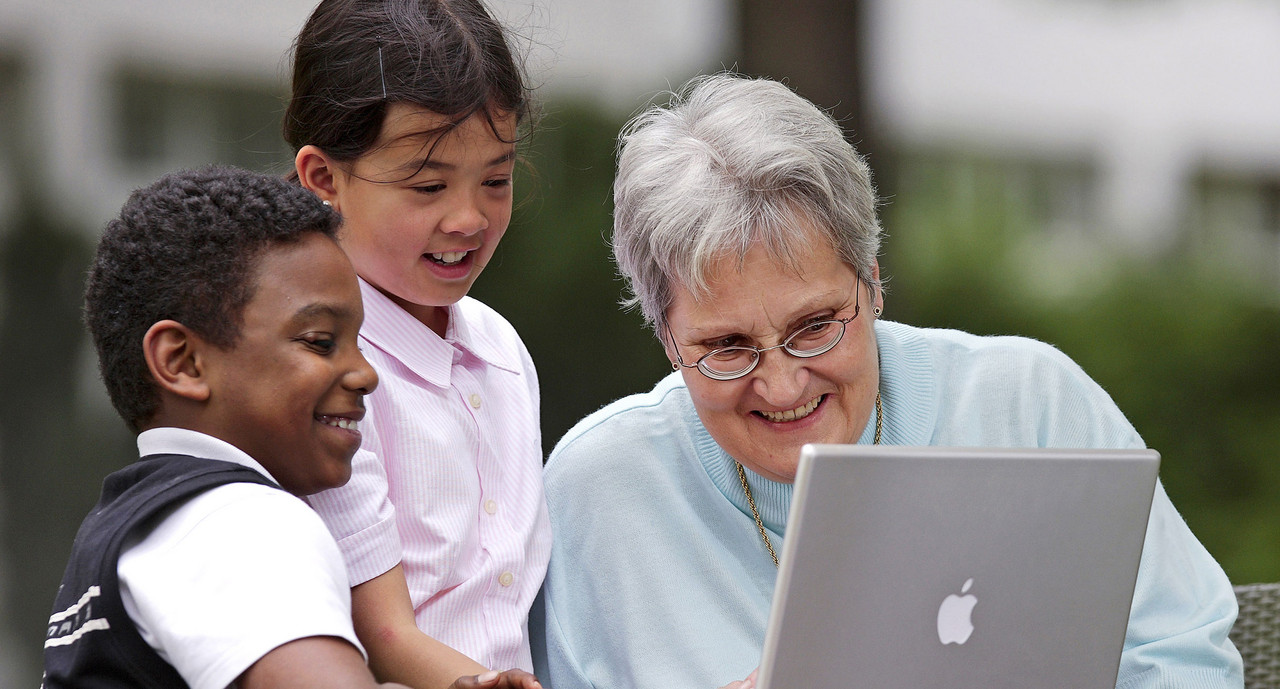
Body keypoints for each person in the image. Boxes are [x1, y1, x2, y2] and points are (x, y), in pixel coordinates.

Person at [531, 74, 1244, 689]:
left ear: (873, 284)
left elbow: (1184, 656)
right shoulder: (601, 489)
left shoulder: (1032, 405)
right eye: (726, 346)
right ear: (666, 338)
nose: (780, 386)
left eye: (814, 326)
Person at [42, 165, 533, 689]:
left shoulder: (125, 529)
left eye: (360, 342)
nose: (366, 374)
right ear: (182, 362)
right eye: (321, 342)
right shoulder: (244, 524)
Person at [286, 2, 549, 688]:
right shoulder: (322, 369)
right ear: (323, 178)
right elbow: (383, 632)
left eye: (496, 179)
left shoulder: (500, 347)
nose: (468, 218)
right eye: (428, 185)